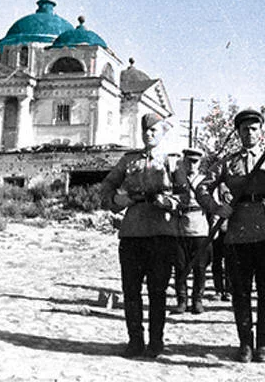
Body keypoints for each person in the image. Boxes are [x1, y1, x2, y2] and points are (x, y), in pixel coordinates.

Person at [196, 108, 265, 363]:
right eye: (245, 129)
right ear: (238, 133)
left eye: (254, 129)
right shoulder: (228, 162)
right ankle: (245, 343)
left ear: (261, 132)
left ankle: (264, 344)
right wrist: (216, 207)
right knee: (240, 292)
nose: (249, 133)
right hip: (238, 233)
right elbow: (202, 187)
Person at [101, 113, 179, 359]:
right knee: (131, 290)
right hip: (132, 232)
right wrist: (118, 201)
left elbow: (185, 195)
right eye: (145, 130)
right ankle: (135, 341)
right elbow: (107, 186)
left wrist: (168, 202)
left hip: (161, 233)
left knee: (158, 291)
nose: (149, 134)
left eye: (154, 130)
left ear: (162, 132)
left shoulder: (172, 161)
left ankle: (156, 341)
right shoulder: (128, 160)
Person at [171, 148, 211, 315]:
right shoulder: (176, 180)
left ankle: (197, 300)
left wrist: (213, 230)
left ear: (200, 163)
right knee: (180, 266)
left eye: (195, 161)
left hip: (200, 227)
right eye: (188, 161)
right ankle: (182, 300)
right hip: (181, 227)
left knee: (200, 268)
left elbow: (213, 204)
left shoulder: (206, 180)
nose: (191, 165)